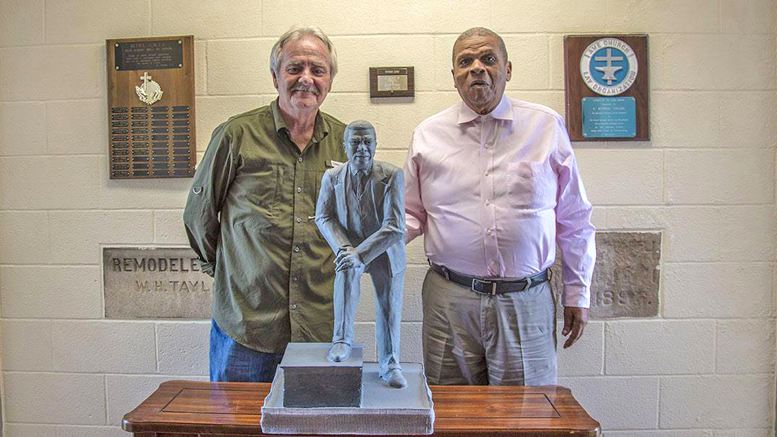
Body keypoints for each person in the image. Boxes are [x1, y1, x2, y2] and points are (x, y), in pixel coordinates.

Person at [404, 27, 596, 386]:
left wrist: (577, 292)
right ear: (454, 76)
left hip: (525, 301)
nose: (477, 68)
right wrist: (366, 244)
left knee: (527, 416)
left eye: (487, 59)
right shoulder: (427, 135)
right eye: (466, 62)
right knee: (451, 413)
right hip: (449, 300)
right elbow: (409, 214)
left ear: (507, 69)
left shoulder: (545, 126)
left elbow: (574, 219)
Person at [183, 26, 347, 382]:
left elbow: (354, 224)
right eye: (294, 68)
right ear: (275, 76)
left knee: (313, 427)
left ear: (330, 81)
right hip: (247, 324)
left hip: (319, 326)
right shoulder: (236, 135)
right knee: (237, 426)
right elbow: (199, 217)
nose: (306, 79)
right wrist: (232, 269)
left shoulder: (347, 144)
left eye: (317, 70)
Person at [315, 120, 407, 388]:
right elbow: (324, 217)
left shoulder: (392, 175)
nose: (362, 148)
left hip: (385, 251)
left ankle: (390, 364)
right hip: (349, 245)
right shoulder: (332, 178)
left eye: (368, 142)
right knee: (344, 271)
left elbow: (395, 227)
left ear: (376, 145)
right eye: (355, 142)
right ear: (345, 147)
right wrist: (345, 248)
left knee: (389, 308)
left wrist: (361, 253)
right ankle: (342, 340)